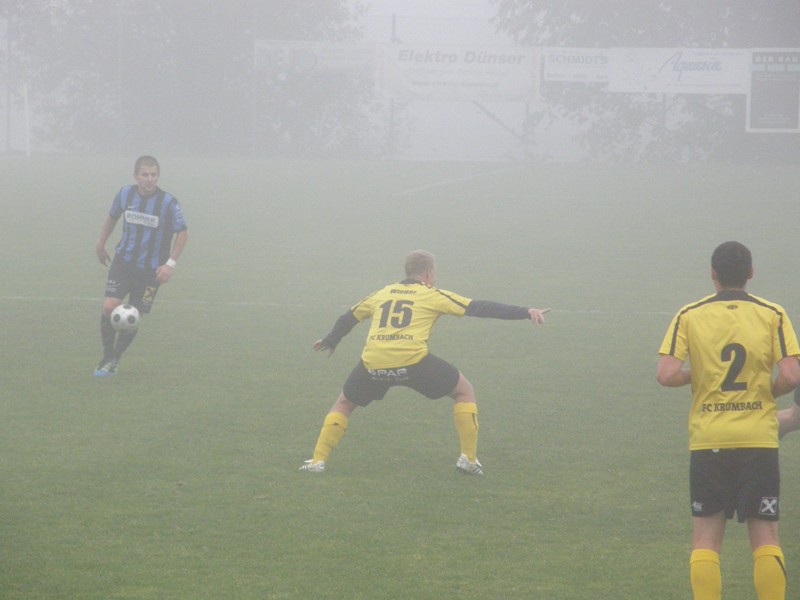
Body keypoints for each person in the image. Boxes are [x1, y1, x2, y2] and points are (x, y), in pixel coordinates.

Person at [299, 249, 551, 475]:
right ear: (429, 273)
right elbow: (479, 307)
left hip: (373, 362)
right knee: (464, 392)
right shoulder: (432, 295)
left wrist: (331, 340)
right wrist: (525, 312)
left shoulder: (383, 293)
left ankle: (317, 461)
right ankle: (468, 459)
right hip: (413, 362)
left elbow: (349, 317)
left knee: (344, 403)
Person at [657, 241, 800, 600]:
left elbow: (666, 374)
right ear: (750, 273)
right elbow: (792, 374)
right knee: (765, 538)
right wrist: (769, 393)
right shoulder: (773, 313)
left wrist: (699, 374)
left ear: (713, 274)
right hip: (759, 440)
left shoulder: (689, 314)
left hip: (709, 440)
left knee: (706, 540)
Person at [93, 155, 188, 376]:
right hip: (123, 263)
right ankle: (107, 356)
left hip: (152, 272)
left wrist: (169, 265)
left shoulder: (168, 202)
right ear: (136, 175)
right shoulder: (125, 194)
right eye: (145, 175)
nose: (149, 179)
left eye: (153, 175)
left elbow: (182, 233)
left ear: (158, 176)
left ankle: (115, 359)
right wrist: (100, 243)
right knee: (109, 307)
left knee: (133, 316)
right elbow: (112, 217)